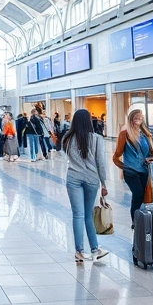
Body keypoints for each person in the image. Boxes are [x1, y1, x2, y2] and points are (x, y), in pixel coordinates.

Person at [63, 109, 110, 263]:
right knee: (88, 215)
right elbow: (101, 163)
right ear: (89, 121)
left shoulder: (68, 138)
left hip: (73, 177)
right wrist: (104, 183)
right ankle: (95, 249)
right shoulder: (96, 138)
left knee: (78, 215)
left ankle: (79, 251)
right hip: (91, 179)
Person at [112, 109, 153, 226]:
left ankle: (140, 221)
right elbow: (116, 156)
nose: (139, 118)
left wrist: (150, 158)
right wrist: (124, 168)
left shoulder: (145, 134)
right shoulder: (125, 134)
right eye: (136, 116)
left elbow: (149, 153)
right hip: (131, 172)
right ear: (131, 118)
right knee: (137, 195)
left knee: (142, 197)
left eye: (140, 116)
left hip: (144, 170)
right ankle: (135, 223)